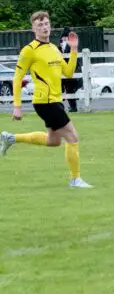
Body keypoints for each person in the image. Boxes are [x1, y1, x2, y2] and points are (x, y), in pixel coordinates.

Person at [0, 11, 92, 188]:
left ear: (50, 26)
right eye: (40, 25)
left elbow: (68, 72)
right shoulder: (29, 50)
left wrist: (73, 50)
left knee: (54, 141)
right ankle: (75, 179)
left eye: (46, 24)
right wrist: (17, 106)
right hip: (44, 102)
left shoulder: (54, 49)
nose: (44, 27)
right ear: (34, 28)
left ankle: (11, 138)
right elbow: (17, 78)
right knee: (73, 137)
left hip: (55, 101)